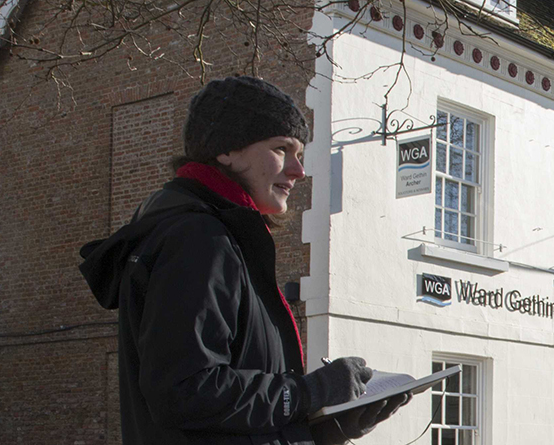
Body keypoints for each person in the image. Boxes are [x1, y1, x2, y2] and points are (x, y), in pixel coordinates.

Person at [80, 76, 408, 444]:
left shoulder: (221, 238)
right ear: (227, 151)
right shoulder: (198, 239)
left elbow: (228, 417)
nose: (298, 171)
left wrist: (325, 428)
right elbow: (186, 391)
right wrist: (306, 393)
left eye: (299, 154)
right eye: (282, 149)